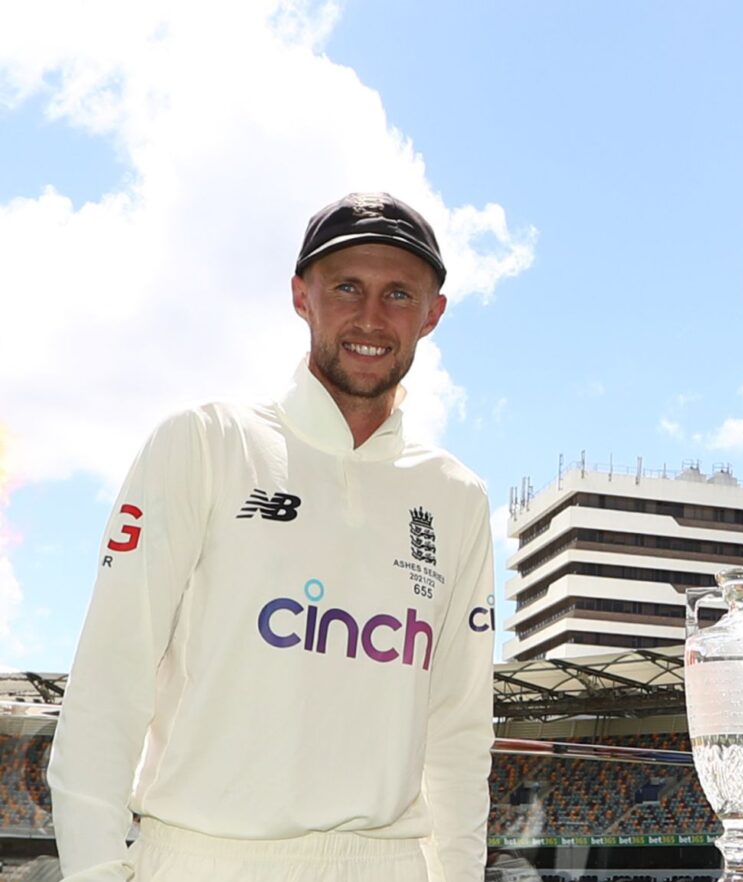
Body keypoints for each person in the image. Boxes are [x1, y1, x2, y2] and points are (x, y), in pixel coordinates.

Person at [48, 193, 497, 882]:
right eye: (347, 286)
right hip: (204, 856)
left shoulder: (456, 497)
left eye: (398, 293)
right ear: (301, 295)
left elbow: (459, 731)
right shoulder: (204, 442)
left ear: (432, 312)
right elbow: (111, 680)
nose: (371, 318)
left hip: (389, 864)